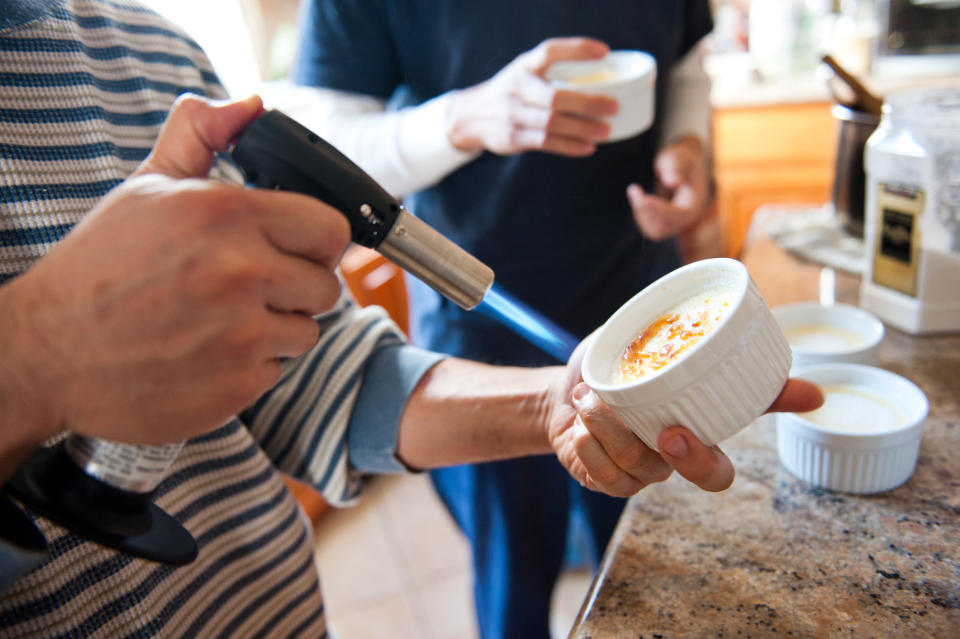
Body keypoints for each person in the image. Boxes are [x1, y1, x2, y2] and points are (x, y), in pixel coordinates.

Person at [0, 1, 822, 637]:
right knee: (514, 576)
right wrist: (32, 360)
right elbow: (335, 127)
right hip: (480, 318)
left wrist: (559, 403)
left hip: (618, 296)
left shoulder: (155, 55)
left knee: (648, 552)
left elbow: (322, 377)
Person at [289, 2, 720, 636]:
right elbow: (328, 155)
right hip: (482, 329)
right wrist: (466, 117)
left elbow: (684, 66)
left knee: (652, 572)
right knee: (514, 586)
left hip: (642, 311)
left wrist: (689, 149)